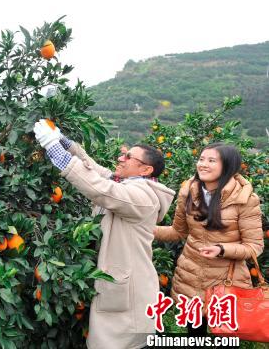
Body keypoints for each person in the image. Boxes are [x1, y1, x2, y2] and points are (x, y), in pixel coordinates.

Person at [33, 119, 175, 349]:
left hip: (129, 292)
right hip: (124, 285)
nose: (121, 157)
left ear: (146, 170)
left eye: (129, 157)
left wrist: (55, 150)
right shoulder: (128, 184)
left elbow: (101, 189)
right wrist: (65, 143)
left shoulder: (144, 197)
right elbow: (96, 171)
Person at [154, 142, 263, 336]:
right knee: (195, 334)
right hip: (191, 278)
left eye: (211, 160)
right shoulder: (189, 191)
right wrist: (145, 230)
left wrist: (222, 249)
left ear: (227, 166)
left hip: (226, 281)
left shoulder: (245, 199)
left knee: (226, 337)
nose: (203, 164)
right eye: (201, 159)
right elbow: (178, 231)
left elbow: (254, 247)